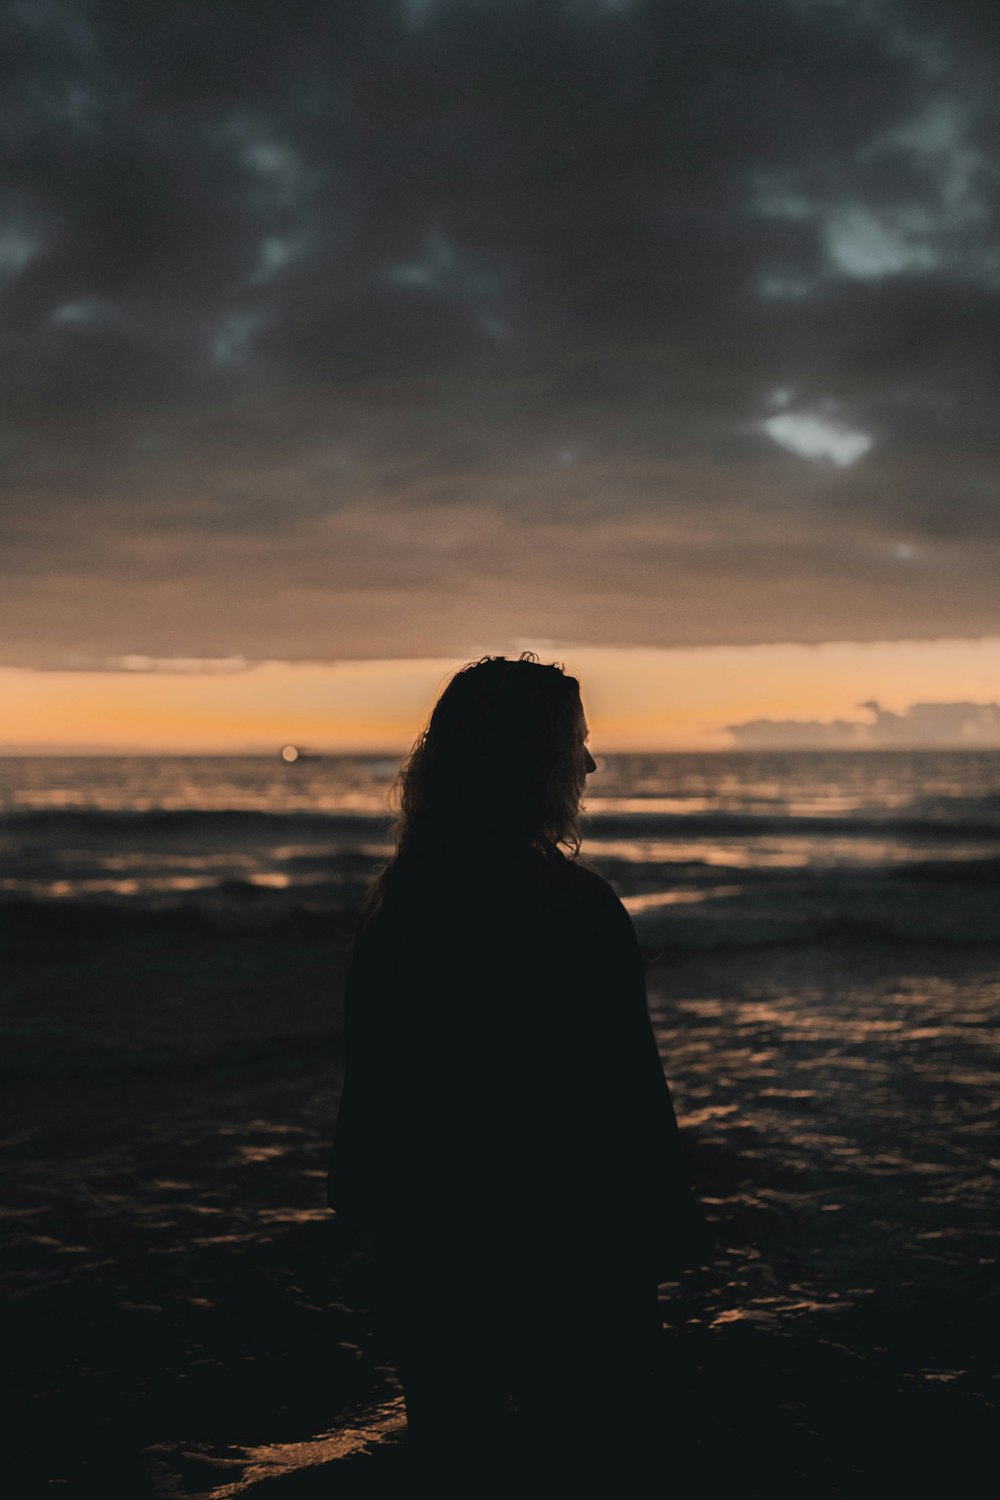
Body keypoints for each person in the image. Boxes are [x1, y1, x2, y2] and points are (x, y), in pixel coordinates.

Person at [327, 653, 710, 1481]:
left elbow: (377, 1083)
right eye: (576, 743)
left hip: (433, 1240)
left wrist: (360, 1212)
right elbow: (625, 1093)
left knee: (456, 1452)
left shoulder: (403, 903)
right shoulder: (575, 909)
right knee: (581, 1454)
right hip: (566, 1244)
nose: (591, 763)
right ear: (532, 762)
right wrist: (668, 1229)